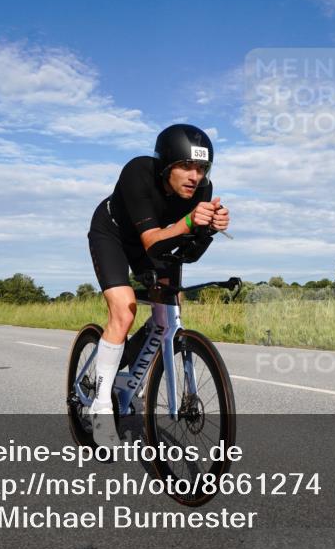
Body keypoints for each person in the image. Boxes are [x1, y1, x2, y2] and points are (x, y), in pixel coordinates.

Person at [87, 124, 230, 446]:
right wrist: (189, 223)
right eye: (186, 166)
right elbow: (151, 239)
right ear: (166, 166)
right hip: (113, 236)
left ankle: (124, 372)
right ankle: (100, 405)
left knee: (169, 312)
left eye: (202, 168)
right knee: (124, 311)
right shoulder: (138, 172)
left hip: (158, 242)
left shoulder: (203, 190)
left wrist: (208, 230)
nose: (195, 176)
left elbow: (187, 251)